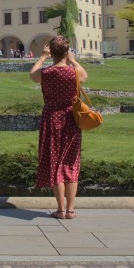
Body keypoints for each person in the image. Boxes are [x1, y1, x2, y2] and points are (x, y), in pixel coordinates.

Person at [30, 35, 88, 220]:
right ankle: (71, 210)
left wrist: (42, 57)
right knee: (71, 164)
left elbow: (33, 75)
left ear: (52, 52)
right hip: (71, 120)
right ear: (67, 52)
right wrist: (72, 59)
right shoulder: (74, 73)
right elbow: (84, 76)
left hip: (51, 120)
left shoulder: (46, 73)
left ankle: (60, 209)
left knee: (56, 164)